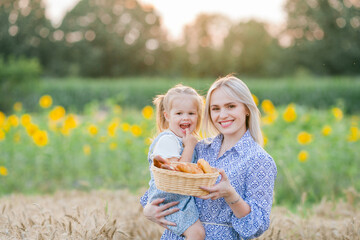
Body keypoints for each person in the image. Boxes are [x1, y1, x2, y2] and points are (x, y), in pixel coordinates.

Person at [140, 75, 277, 240]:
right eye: (216, 108)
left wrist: (231, 195)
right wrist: (148, 210)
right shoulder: (199, 147)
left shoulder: (258, 160)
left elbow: (256, 227)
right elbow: (166, 184)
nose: (223, 115)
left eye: (231, 106)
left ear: (246, 109)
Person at [144, 84, 206, 239]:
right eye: (179, 113)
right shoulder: (168, 140)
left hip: (181, 197)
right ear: (167, 116)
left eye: (191, 113)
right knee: (197, 234)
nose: (185, 117)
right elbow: (179, 172)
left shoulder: (182, 139)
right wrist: (190, 146)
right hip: (169, 200)